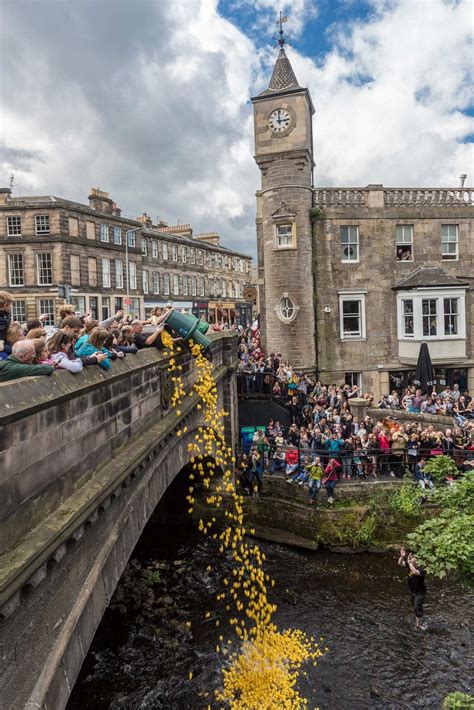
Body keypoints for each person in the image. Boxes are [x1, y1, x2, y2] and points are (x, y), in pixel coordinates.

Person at [398, 547, 427, 630]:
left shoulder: (422, 569)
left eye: (413, 559)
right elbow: (400, 563)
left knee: (417, 607)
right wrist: (402, 557)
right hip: (413, 591)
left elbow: (415, 572)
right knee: (414, 606)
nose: (411, 559)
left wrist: (409, 562)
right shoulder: (410, 564)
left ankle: (418, 626)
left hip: (420, 592)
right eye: (411, 558)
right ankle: (419, 619)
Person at [0, 290, 13, 361]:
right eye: (11, 304)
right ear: (6, 305)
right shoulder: (3, 319)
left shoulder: (5, 316)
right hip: (3, 346)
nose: (12, 306)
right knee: (12, 349)